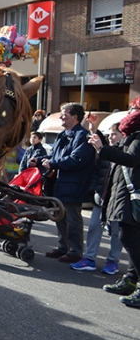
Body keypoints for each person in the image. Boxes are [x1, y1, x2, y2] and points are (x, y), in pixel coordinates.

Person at [89, 100, 140, 307]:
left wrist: (101, 148)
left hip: (131, 196)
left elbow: (130, 159)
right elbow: (114, 150)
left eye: (134, 109)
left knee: (128, 237)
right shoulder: (131, 134)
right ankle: (130, 279)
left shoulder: (138, 135)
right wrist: (95, 132)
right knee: (131, 238)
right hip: (125, 195)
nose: (130, 112)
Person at [34, 103, 94, 264]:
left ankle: (75, 251)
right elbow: (53, 155)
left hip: (74, 185)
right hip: (60, 183)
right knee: (60, 216)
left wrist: (53, 164)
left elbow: (77, 160)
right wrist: (39, 160)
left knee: (73, 218)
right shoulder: (63, 134)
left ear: (75, 117)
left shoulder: (83, 136)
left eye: (64, 114)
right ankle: (63, 247)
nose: (61, 117)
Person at [72, 123, 124, 274]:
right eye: (110, 134)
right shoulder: (105, 153)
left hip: (117, 201)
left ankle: (113, 261)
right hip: (100, 197)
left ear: (123, 135)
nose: (111, 137)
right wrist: (94, 189)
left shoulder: (125, 154)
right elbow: (96, 172)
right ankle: (89, 258)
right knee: (94, 227)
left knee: (116, 232)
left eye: (114, 134)